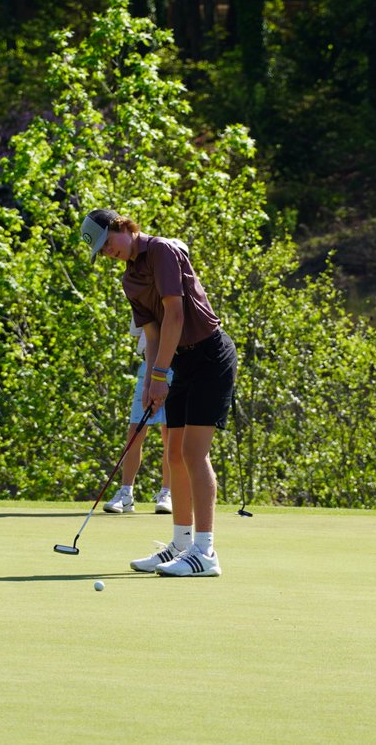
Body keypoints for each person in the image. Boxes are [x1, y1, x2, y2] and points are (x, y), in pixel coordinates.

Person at [81, 208, 237, 577]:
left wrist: (161, 374)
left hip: (210, 356)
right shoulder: (130, 279)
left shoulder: (164, 251)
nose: (108, 253)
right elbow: (152, 335)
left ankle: (205, 552)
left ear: (122, 227)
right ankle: (181, 545)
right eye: (102, 252)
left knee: (195, 453)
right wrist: (153, 381)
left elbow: (177, 316)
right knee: (175, 454)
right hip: (178, 362)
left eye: (108, 244)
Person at [103, 320, 173, 514]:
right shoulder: (140, 295)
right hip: (147, 368)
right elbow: (138, 334)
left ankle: (167, 493)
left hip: (176, 368)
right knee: (135, 433)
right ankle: (126, 493)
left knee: (170, 436)